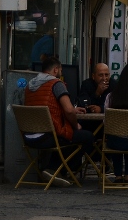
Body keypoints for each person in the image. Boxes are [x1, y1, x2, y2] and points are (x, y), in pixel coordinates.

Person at [23, 56, 95, 187]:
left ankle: (55, 170)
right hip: (47, 135)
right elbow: (68, 111)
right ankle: (56, 169)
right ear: (55, 70)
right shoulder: (56, 84)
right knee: (87, 136)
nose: (61, 73)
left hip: (28, 136)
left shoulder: (29, 86)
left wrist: (73, 109)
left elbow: (48, 106)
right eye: (61, 70)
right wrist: (75, 125)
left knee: (68, 138)